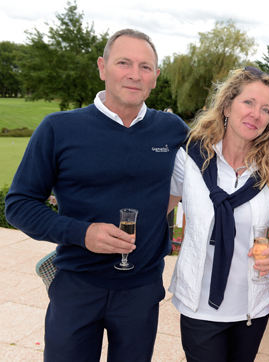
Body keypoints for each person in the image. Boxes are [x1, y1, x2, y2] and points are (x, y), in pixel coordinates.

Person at [5, 29, 189, 362]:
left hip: (141, 288)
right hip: (77, 285)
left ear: (155, 77)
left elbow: (217, 158)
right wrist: (82, 233)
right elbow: (18, 204)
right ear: (103, 68)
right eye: (124, 63)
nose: (135, 74)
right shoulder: (58, 128)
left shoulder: (172, 129)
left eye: (145, 66)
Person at [166, 66, 269, 362]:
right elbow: (158, 210)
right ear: (226, 106)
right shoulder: (190, 158)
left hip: (252, 307)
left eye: (265, 109)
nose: (255, 114)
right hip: (198, 307)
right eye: (248, 102)